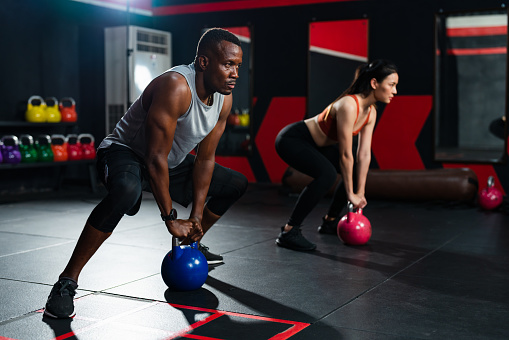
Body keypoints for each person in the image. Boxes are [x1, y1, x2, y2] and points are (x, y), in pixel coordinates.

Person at [44, 28, 248, 318]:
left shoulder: (223, 99)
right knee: (127, 191)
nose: (235, 73)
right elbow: (154, 158)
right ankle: (66, 282)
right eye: (228, 64)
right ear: (204, 62)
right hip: (124, 153)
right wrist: (171, 219)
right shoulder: (176, 86)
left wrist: (196, 218)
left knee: (235, 184)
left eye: (238, 66)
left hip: (170, 161)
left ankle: (194, 245)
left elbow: (205, 159)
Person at [275, 60, 398, 251]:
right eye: (391, 85)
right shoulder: (349, 105)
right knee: (327, 175)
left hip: (318, 145)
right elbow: (346, 154)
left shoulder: (371, 112)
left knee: (356, 168)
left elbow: (364, 154)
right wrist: (350, 193)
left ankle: (330, 222)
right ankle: (289, 231)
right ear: (374, 83)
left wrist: (360, 192)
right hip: (293, 139)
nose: (395, 91)